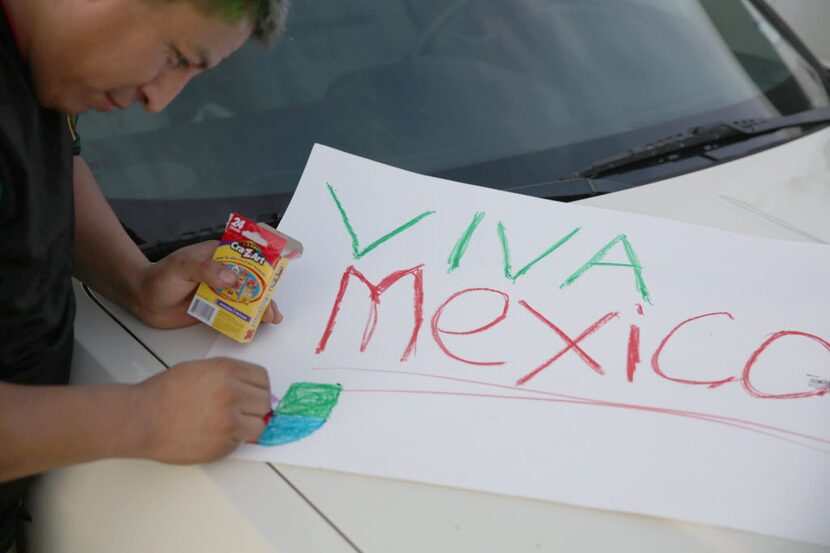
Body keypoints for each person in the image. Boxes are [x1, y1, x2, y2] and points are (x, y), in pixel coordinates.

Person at [0, 0, 289, 550]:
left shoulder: (39, 62)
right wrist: (142, 418)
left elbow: (46, 156)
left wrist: (133, 279)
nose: (159, 99)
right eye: (174, 57)